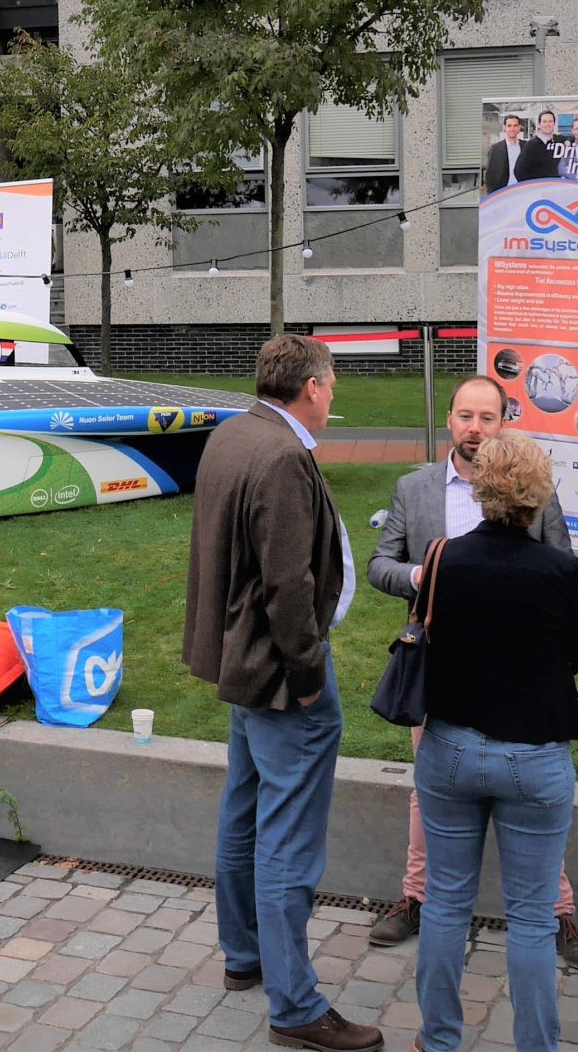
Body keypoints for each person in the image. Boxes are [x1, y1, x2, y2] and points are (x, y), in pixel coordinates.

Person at [364, 377, 578, 973]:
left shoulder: (535, 492)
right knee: (428, 796)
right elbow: (379, 565)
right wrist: (422, 578)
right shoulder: (415, 488)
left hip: (525, 685)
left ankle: (558, 910)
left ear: (504, 423)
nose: (474, 427)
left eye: (486, 418)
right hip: (441, 679)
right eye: (465, 416)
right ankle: (415, 898)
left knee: (536, 801)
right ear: (450, 420)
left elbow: (563, 569)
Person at [184, 334, 376, 1052]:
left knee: (244, 809)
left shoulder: (237, 432)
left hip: (240, 663)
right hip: (277, 674)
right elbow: (288, 586)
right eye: (331, 384)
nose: (333, 396)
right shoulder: (284, 455)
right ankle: (295, 1005)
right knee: (287, 838)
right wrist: (307, 677)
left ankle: (245, 957)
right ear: (314, 386)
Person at [409, 432, 578, 1051]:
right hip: (535, 754)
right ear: (540, 495)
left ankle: (437, 1041)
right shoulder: (561, 568)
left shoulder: (443, 558)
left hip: (450, 746)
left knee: (445, 904)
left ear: (481, 488)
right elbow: (573, 654)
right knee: (534, 918)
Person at [482, 114, 555, 192]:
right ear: (504, 128)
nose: (512, 128)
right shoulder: (495, 148)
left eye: (515, 125)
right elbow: (490, 175)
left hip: (523, 191)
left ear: (519, 127)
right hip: (502, 193)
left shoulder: (528, 146)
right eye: (509, 126)